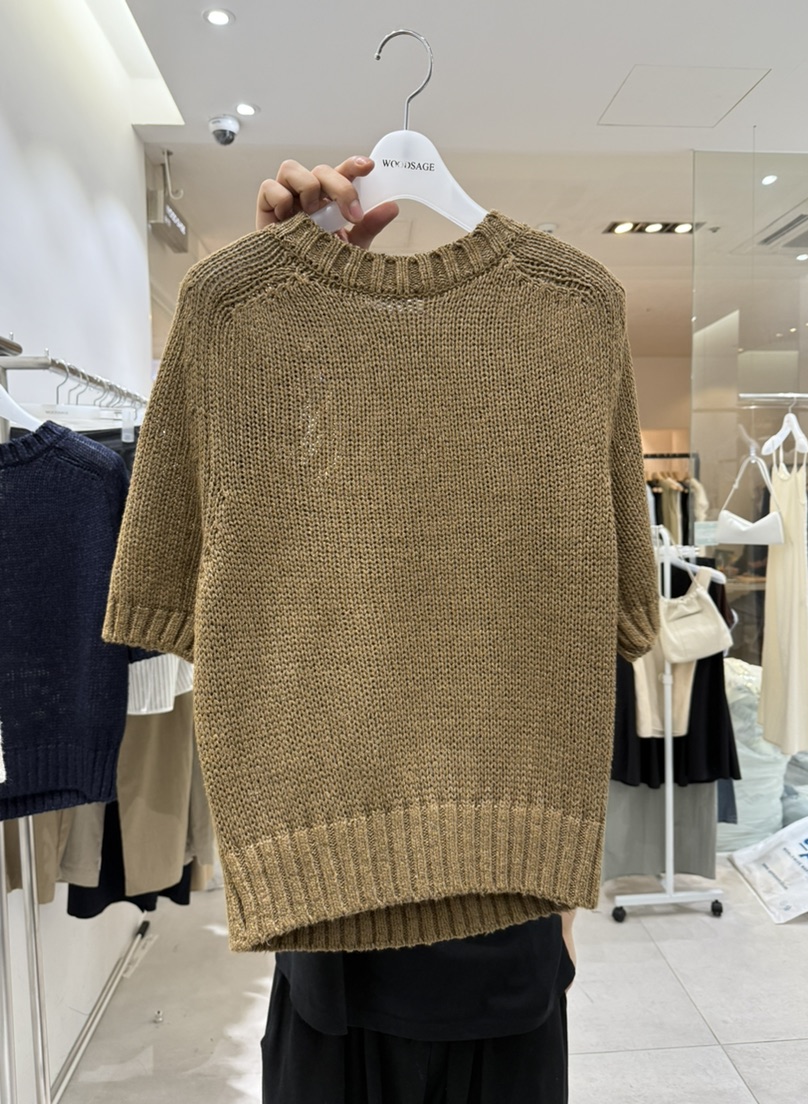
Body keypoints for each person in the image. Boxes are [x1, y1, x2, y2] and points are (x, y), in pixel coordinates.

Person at [252, 155, 578, 1104]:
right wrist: (279, 319)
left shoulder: (561, 346)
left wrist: (559, 901)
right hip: (333, 944)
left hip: (504, 940)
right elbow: (245, 551)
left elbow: (589, 637)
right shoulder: (308, 438)